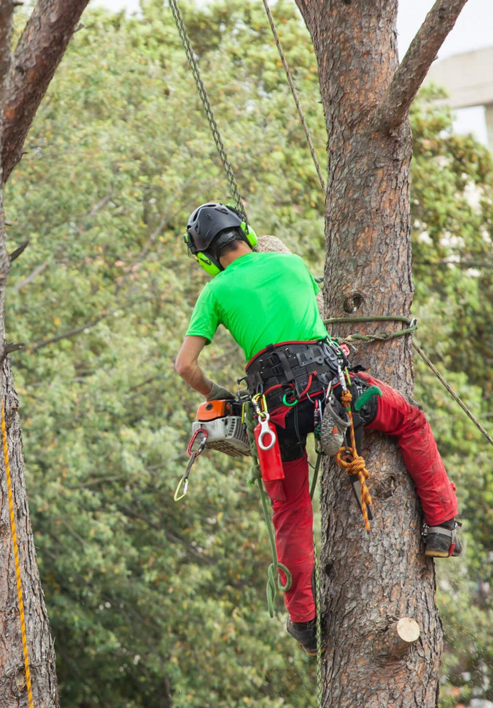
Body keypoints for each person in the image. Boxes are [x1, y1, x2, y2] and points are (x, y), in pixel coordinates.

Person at [172, 202, 462, 656]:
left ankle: (304, 622)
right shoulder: (291, 263)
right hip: (331, 385)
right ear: (245, 232)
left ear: (206, 256)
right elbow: (312, 315)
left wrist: (221, 392)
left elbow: (184, 365)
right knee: (409, 419)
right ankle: (441, 526)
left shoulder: (214, 291)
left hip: (274, 411)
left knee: (289, 509)